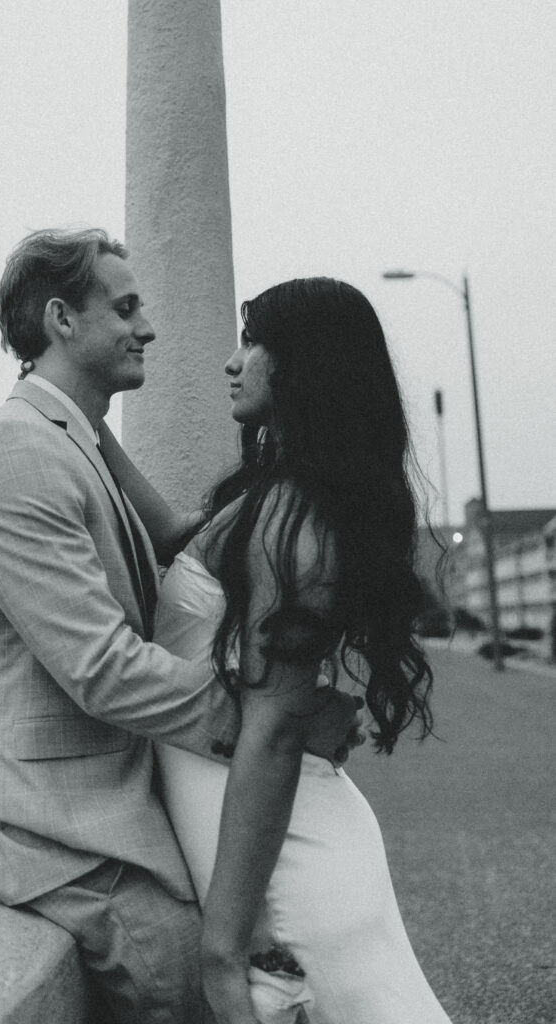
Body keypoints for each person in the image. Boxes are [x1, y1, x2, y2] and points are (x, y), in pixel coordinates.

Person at [0, 230, 362, 1024]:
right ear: (62, 319)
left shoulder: (73, 437)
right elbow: (102, 668)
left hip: (127, 814)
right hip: (68, 839)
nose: (149, 327)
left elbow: (178, 541)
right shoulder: (13, 455)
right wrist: (280, 720)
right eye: (125, 308)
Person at [101, 276, 453, 1023]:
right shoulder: (273, 492)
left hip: (292, 864)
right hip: (269, 829)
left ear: (302, 363)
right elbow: (174, 539)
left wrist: (222, 947)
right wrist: (77, 412)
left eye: (252, 341)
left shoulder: (293, 518)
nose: (234, 361)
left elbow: (274, 726)